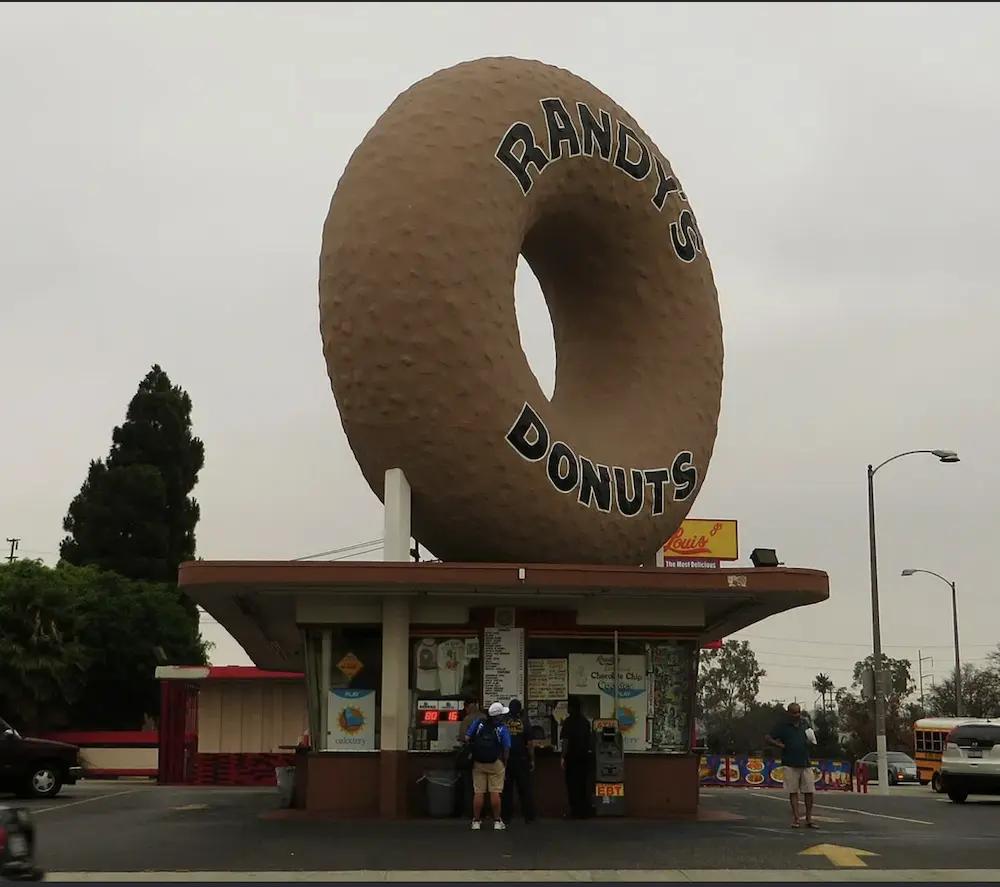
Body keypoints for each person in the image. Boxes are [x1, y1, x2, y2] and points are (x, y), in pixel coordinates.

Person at [765, 702, 818, 829]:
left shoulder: (805, 723)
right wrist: (779, 745)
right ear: (788, 713)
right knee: (793, 792)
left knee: (809, 791)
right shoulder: (782, 726)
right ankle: (796, 819)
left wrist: (811, 741)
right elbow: (768, 737)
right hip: (790, 762)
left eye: (799, 712)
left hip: (805, 762)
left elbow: (811, 737)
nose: (797, 715)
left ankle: (809, 819)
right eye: (794, 712)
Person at [466, 701, 511, 830]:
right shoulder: (502, 728)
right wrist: (505, 763)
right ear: (498, 716)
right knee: (495, 792)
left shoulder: (479, 723)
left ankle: (476, 821)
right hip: (495, 763)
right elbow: (506, 748)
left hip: (478, 762)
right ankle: (497, 821)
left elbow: (467, 737)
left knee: (478, 792)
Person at [501, 699, 536, 825]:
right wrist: (532, 759)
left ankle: (505, 817)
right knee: (525, 789)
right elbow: (530, 743)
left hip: (507, 759)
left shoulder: (504, 722)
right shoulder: (525, 721)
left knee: (507, 790)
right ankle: (529, 816)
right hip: (522, 759)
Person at [560, 696, 593, 819]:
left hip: (572, 758)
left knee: (572, 785)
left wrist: (563, 757)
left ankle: (575, 811)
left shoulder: (568, 722)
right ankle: (584, 811)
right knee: (583, 784)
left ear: (572, 708)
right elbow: (589, 741)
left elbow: (565, 741)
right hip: (584, 758)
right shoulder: (585, 722)